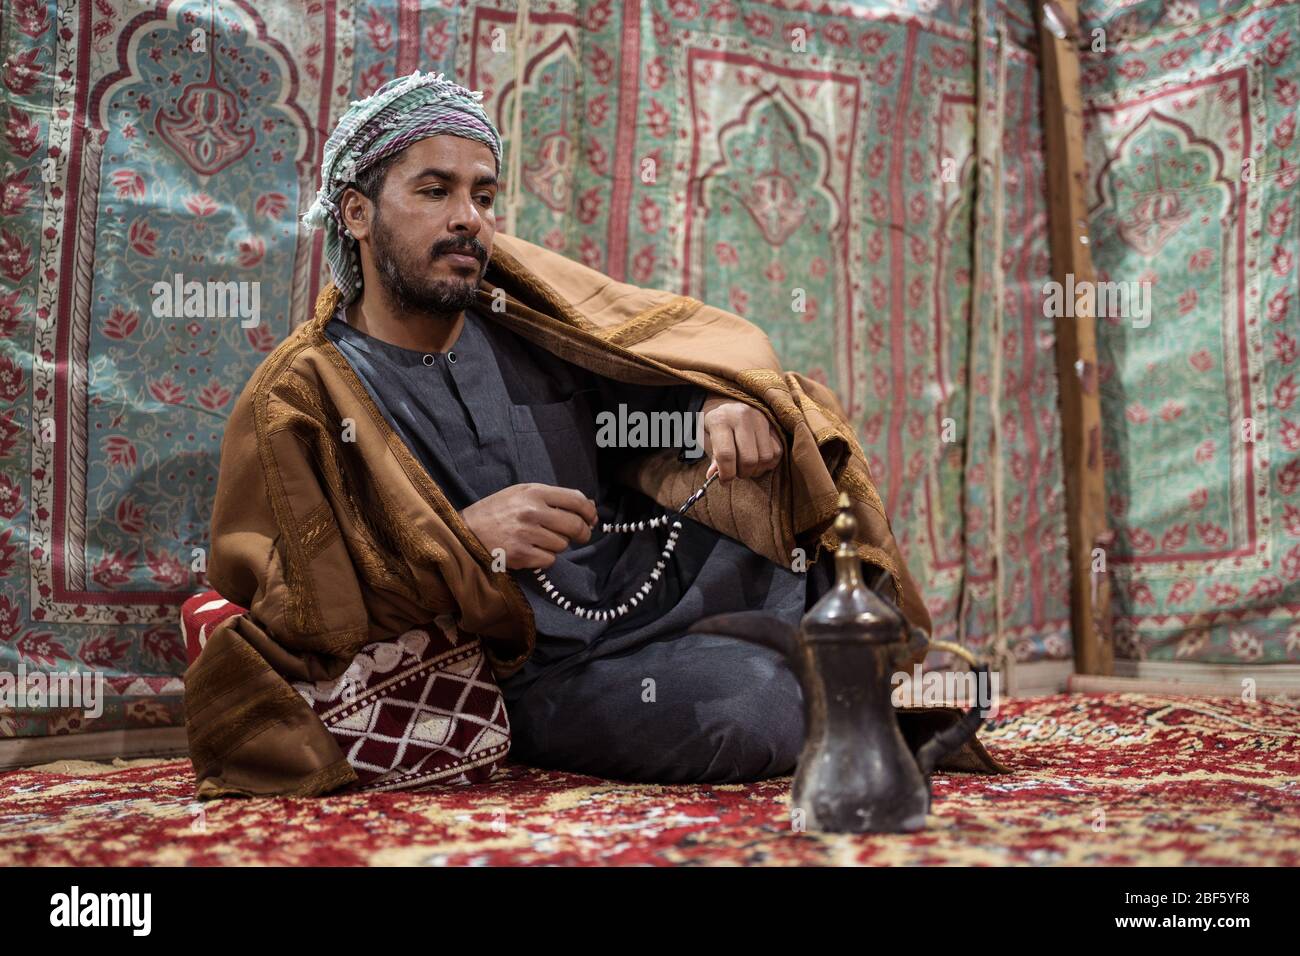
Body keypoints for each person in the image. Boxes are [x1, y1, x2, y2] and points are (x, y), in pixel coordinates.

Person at [184, 71, 934, 798]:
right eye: (434, 190)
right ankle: (791, 679)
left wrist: (713, 407)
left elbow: (636, 417)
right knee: (746, 714)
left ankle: (806, 662)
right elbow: (294, 605)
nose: (467, 218)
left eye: (483, 195)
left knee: (820, 544)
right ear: (356, 213)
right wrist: (463, 539)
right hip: (544, 663)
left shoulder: (524, 323)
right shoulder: (302, 394)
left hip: (648, 584)